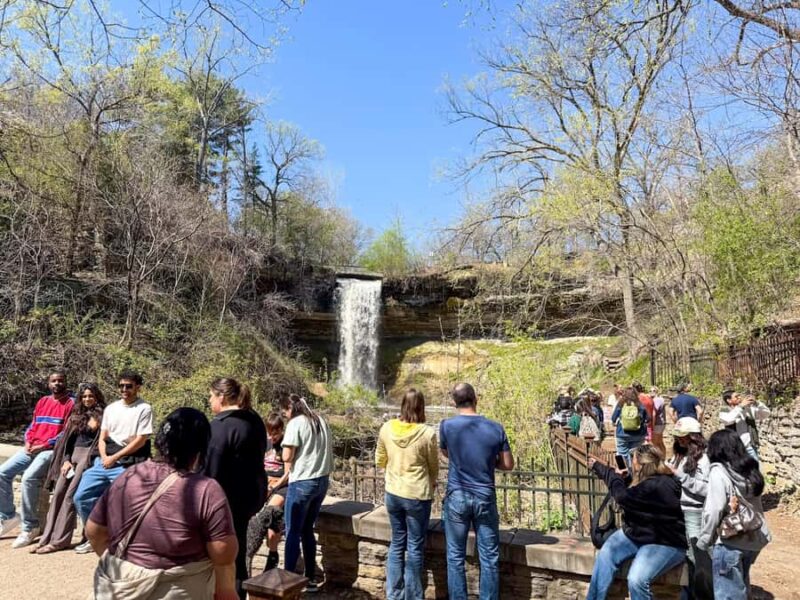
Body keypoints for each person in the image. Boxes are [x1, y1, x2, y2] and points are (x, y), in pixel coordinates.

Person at [86, 407, 239, 600]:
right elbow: (223, 557)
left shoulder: (129, 476)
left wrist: (126, 568)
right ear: (200, 448)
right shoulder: (206, 489)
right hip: (178, 591)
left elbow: (94, 532)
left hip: (117, 588)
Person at [440, 383, 514, 600]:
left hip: (457, 495)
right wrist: (489, 462)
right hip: (484, 496)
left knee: (455, 556)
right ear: (476, 399)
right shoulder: (496, 428)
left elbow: (446, 452)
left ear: (454, 403)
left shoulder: (446, 426)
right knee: (489, 558)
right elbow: (508, 464)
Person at [586, 444, 687, 600]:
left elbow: (622, 496)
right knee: (606, 554)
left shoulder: (660, 485)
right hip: (637, 534)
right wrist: (623, 477)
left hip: (665, 543)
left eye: (633, 461)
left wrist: (615, 477)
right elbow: (638, 496)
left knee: (636, 580)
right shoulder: (652, 482)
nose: (631, 464)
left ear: (641, 466)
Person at [73, 370, 153, 553]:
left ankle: (125, 541)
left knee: (124, 502)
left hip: (126, 463)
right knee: (81, 496)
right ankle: (95, 536)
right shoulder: (111, 408)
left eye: (129, 386)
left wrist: (114, 458)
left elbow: (140, 440)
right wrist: (104, 457)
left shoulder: (144, 409)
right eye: (121, 386)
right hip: (104, 461)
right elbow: (103, 437)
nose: (124, 389)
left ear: (138, 387)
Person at [204, 377, 267, 600]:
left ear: (221, 397)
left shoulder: (221, 427)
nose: (209, 400)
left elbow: (211, 471)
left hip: (225, 501)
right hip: (249, 497)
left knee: (220, 557)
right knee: (237, 551)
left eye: (211, 396)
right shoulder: (254, 419)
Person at [375, 388, 439, 600]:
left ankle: (394, 594)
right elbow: (433, 466)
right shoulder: (427, 433)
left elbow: (379, 459)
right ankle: (413, 596)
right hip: (417, 495)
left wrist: (392, 471)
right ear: (422, 407)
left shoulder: (387, 428)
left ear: (402, 405)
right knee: (414, 547)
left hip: (393, 493)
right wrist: (432, 481)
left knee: (396, 543)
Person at [0, 371, 74, 548]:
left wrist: (44, 445)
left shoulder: (72, 403)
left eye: (60, 380)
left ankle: (30, 526)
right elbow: (33, 425)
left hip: (51, 450)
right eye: (53, 380)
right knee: (2, 473)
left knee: (28, 478)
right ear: (48, 383)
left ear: (65, 382)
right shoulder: (43, 401)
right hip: (31, 447)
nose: (57, 383)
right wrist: (27, 440)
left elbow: (66, 433)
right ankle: (8, 516)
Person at [696, 429, 771, 600]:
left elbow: (714, 510)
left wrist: (704, 539)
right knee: (740, 586)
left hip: (730, 540)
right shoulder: (750, 470)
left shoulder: (719, 472)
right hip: (753, 538)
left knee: (728, 593)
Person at [34, 383, 106, 554]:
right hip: (72, 457)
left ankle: (59, 541)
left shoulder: (104, 415)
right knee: (58, 493)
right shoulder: (76, 414)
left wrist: (91, 460)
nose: (87, 399)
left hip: (88, 457)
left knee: (69, 497)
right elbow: (67, 441)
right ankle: (46, 538)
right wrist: (66, 460)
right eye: (84, 396)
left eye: (91, 396)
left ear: (97, 397)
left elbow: (102, 441)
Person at [280, 393, 334, 593]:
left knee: (292, 531)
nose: (285, 416)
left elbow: (287, 456)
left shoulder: (296, 423)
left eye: (284, 412)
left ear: (290, 408)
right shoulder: (321, 420)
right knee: (307, 530)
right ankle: (310, 579)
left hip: (302, 482)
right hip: (322, 481)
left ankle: (287, 581)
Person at [667, 417, 711, 600]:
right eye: (677, 436)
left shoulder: (704, 459)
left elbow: (707, 489)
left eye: (683, 436)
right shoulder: (679, 455)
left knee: (696, 557)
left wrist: (680, 477)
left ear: (694, 437)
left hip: (694, 512)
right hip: (678, 510)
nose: (679, 439)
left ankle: (702, 593)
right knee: (685, 555)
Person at [246, 412, 289, 574]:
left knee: (270, 511)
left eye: (275, 433)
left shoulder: (286, 444)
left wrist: (274, 486)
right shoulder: (264, 443)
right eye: (269, 433)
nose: (272, 437)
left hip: (281, 485)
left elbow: (288, 473)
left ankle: (272, 554)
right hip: (265, 483)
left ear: (281, 430)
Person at [720, 390, 770, 462]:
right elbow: (728, 419)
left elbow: (766, 414)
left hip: (749, 447)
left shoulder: (747, 409)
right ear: (729, 400)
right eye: (736, 397)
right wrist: (740, 406)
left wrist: (757, 403)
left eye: (739, 395)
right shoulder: (725, 410)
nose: (739, 398)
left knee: (754, 468)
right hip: (734, 449)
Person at [611, 387, 648, 470]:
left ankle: (623, 472)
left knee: (621, 454)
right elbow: (648, 419)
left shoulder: (620, 404)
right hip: (638, 434)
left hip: (622, 434)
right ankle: (635, 471)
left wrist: (615, 422)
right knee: (635, 454)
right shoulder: (640, 405)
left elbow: (613, 418)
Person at [650, 386, 668, 456]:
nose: (652, 392)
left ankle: (657, 459)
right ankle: (663, 458)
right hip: (661, 423)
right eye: (650, 390)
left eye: (654, 390)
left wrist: (652, 425)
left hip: (657, 424)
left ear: (657, 392)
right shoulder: (660, 399)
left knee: (654, 444)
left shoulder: (657, 400)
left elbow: (654, 413)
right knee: (660, 442)